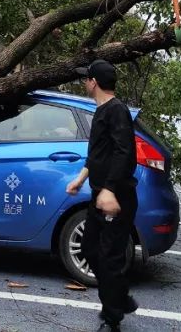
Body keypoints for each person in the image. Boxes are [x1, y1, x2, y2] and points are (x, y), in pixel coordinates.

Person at [65, 59, 138, 331]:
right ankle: (119, 296)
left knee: (109, 257)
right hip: (100, 196)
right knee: (88, 249)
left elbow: (125, 153)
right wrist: (80, 178)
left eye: (86, 78)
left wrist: (109, 190)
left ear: (94, 82)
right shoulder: (101, 110)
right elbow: (98, 154)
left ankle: (112, 318)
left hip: (116, 199)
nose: (84, 82)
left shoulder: (117, 111)